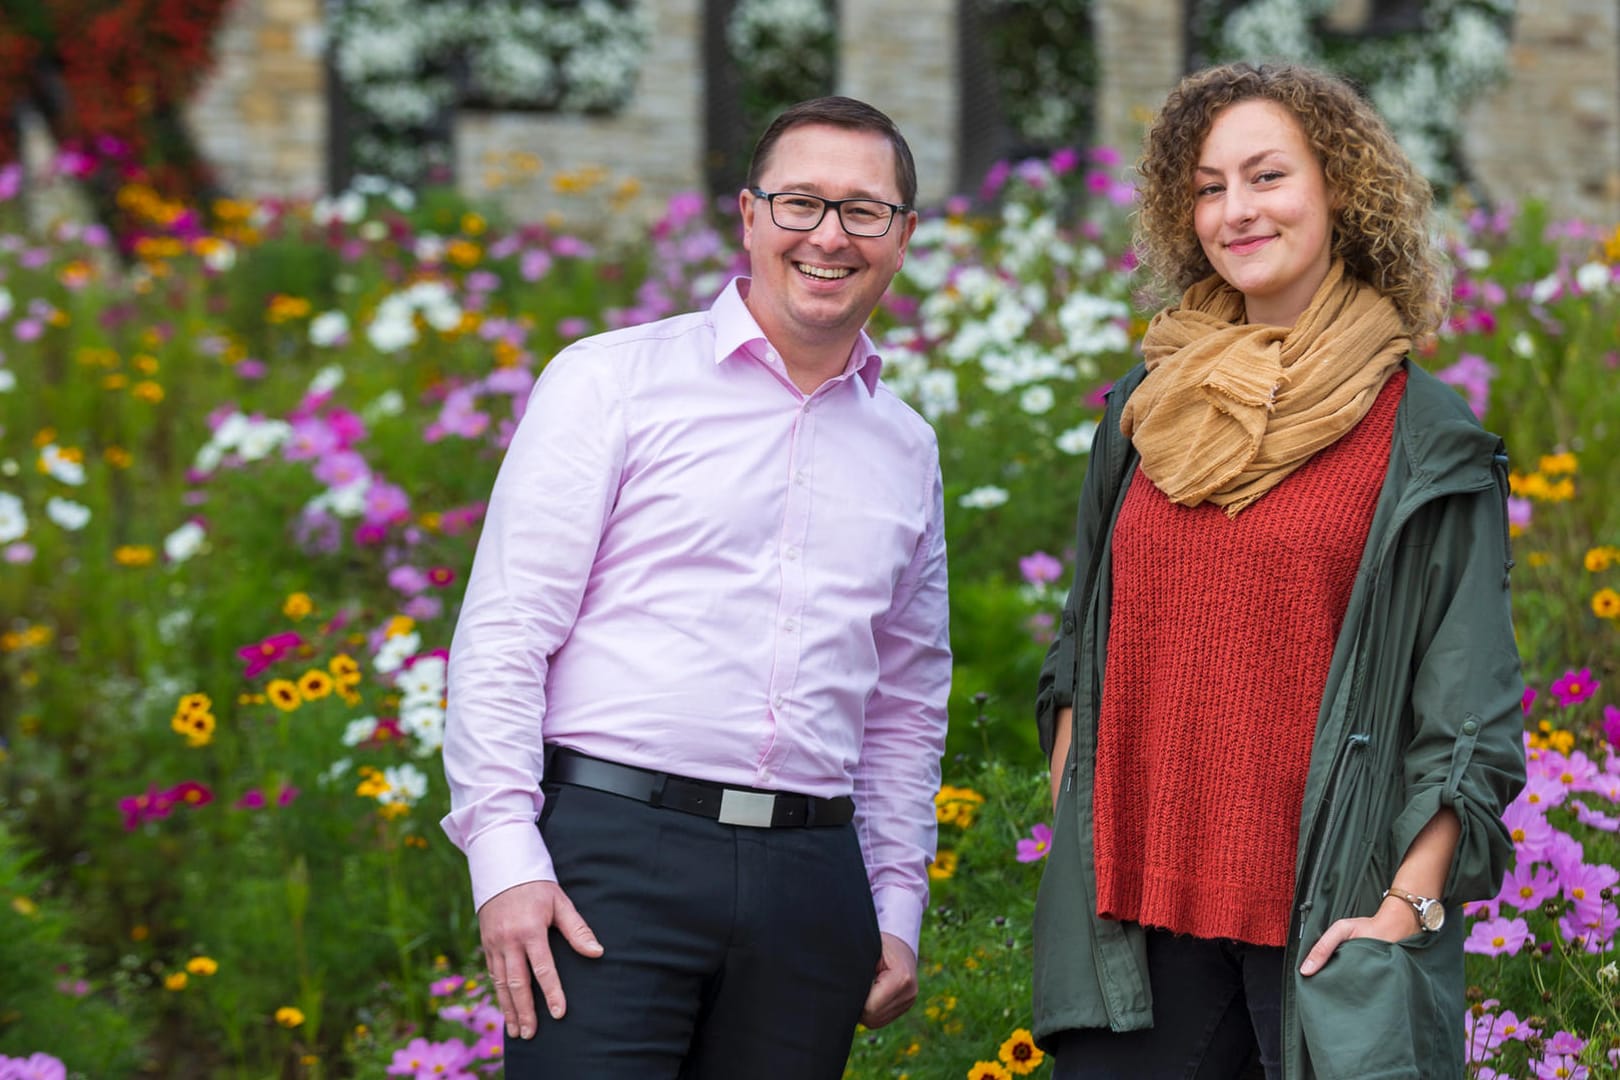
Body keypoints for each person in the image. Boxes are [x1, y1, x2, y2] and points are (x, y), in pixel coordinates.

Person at [1031, 62, 1526, 1079]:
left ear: (1339, 190)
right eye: (1208, 187)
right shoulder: (1147, 406)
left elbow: (1466, 708)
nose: (1235, 210)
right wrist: (1074, 803)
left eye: (1266, 176)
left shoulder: (1422, 437)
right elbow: (1085, 635)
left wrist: (1406, 908)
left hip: (1324, 930)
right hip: (1135, 922)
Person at [439, 96, 951, 1078]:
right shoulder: (609, 383)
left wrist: (895, 908)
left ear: (903, 237)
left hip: (813, 885)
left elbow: (904, 701)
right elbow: (506, 634)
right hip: (610, 863)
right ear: (750, 216)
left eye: (864, 211)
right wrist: (505, 863)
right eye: (800, 203)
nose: (829, 237)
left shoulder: (907, 448)